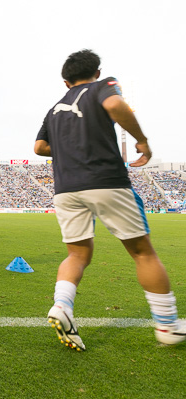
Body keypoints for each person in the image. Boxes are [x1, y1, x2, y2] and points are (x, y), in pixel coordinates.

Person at [34, 49, 185, 350]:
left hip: (66, 189)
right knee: (143, 252)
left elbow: (39, 147)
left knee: (77, 255)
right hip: (106, 181)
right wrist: (142, 141)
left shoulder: (54, 109)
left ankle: (62, 306)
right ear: (98, 72)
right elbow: (115, 104)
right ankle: (168, 326)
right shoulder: (103, 86)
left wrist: (70, 150)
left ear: (66, 82)